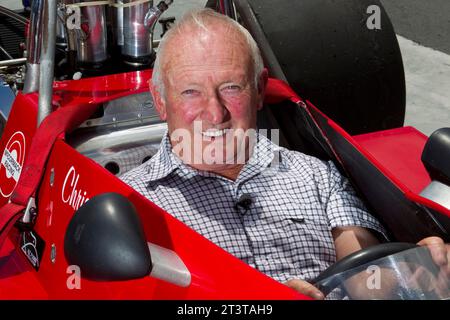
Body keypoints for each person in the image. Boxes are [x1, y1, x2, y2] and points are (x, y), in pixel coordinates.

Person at [121, 8, 449, 299]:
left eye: (231, 88)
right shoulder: (130, 204)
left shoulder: (315, 174)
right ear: (160, 101)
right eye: (191, 92)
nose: (215, 113)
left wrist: (414, 273)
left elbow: (366, 280)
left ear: (260, 89)